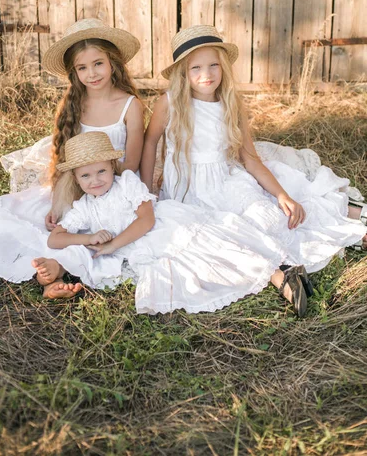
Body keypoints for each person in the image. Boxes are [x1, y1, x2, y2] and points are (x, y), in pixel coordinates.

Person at [140, 25, 366, 314]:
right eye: (196, 68)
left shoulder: (230, 104)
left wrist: (281, 194)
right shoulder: (170, 103)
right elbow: (150, 144)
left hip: (226, 180)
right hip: (189, 190)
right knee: (220, 230)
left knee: (269, 214)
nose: (206, 74)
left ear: (223, 67)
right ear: (183, 73)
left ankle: (350, 225)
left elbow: (250, 159)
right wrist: (147, 191)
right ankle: (283, 272)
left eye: (213, 65)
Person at [0, 19, 144, 296]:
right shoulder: (75, 104)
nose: (92, 74)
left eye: (98, 63)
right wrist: (59, 203)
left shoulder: (129, 105)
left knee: (110, 227)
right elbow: (65, 158)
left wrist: (107, 196)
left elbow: (132, 163)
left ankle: (58, 270)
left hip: (116, 184)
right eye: (82, 68)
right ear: (74, 73)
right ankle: (51, 268)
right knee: (42, 220)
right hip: (79, 183)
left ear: (113, 63)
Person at [29, 131, 299, 313]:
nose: (96, 180)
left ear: (113, 166)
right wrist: (87, 238)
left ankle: (280, 276)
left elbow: (146, 220)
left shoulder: (127, 185)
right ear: (76, 179)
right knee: (79, 250)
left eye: (101, 171)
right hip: (138, 247)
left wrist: (113, 245)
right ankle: (53, 278)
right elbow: (56, 238)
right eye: (86, 176)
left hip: (161, 229)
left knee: (209, 250)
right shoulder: (84, 207)